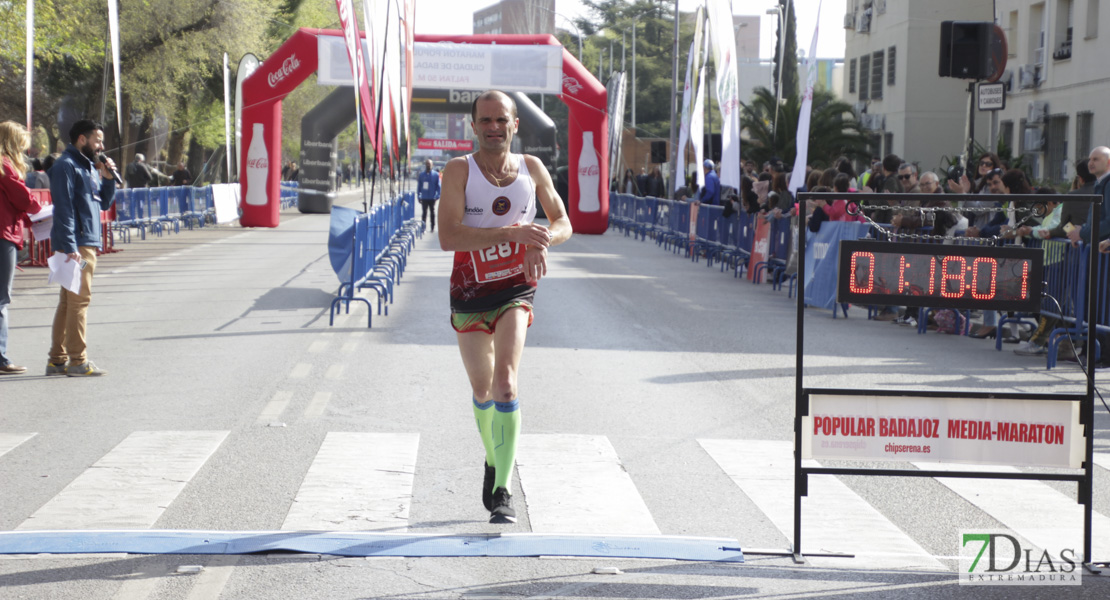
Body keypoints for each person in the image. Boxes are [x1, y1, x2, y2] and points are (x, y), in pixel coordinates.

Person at [437, 90, 572, 524]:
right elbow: (449, 238)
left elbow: (564, 221)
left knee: (506, 385)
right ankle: (493, 457)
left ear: (516, 125)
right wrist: (513, 234)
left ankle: (503, 489)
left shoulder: (532, 169)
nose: (494, 128)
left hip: (517, 287)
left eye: (503, 120)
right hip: (470, 292)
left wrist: (542, 237)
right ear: (473, 126)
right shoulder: (459, 170)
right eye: (486, 121)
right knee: (482, 389)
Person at [46, 119, 117, 377]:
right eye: (97, 140)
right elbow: (63, 208)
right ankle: (78, 361)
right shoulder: (66, 165)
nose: (101, 145)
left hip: (83, 241)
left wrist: (108, 178)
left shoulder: (87, 166)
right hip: (77, 244)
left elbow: (103, 203)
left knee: (67, 302)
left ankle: (57, 359)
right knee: (79, 302)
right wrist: (69, 245)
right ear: (82, 139)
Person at [0, 121, 46, 374]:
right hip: (2, 234)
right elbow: (23, 199)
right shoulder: (4, 165)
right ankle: (1, 358)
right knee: (1, 299)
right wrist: (39, 211)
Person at [1068, 146, 1110, 248]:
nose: (1090, 163)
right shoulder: (1099, 183)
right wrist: (1079, 232)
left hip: (1103, 250)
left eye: (1095, 159)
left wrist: (1081, 233)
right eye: (1090, 159)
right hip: (1096, 247)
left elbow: (1063, 224)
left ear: (1108, 162)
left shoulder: (1108, 184)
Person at [416, 159, 441, 232]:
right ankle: (423, 227)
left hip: (432, 197)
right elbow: (419, 186)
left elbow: (438, 186)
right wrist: (419, 196)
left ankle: (432, 227)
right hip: (424, 197)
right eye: (427, 164)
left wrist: (437, 195)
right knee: (424, 212)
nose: (428, 165)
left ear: (432, 165)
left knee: (432, 212)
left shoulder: (435, 175)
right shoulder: (421, 175)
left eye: (429, 164)